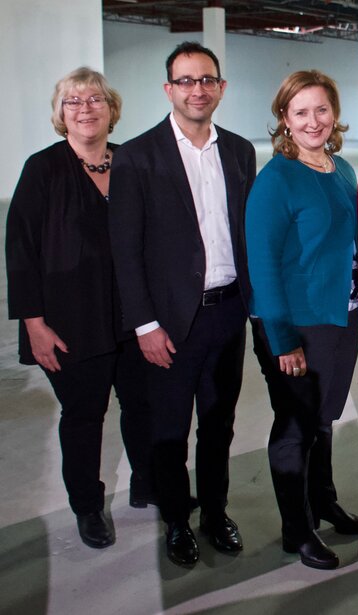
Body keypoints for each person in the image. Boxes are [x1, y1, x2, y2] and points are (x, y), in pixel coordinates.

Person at [108, 42, 256, 567]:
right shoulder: (136, 155)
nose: (198, 89)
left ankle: (215, 513)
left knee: (219, 424)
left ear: (221, 87)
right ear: (169, 89)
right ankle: (176, 519)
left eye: (207, 80)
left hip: (227, 313)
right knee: (169, 428)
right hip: (169, 321)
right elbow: (125, 251)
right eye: (186, 81)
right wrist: (144, 323)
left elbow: (246, 236)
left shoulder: (239, 151)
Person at [5, 67, 151, 549]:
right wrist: (34, 325)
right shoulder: (42, 168)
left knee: (143, 407)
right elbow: (20, 250)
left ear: (112, 110)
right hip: (70, 321)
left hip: (134, 317)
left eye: (96, 100)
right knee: (84, 416)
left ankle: (148, 483)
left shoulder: (132, 162)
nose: (86, 108)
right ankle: (88, 507)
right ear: (60, 113)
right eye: (74, 101)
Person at [245, 70, 358, 571]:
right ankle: (296, 530)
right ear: (284, 120)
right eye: (301, 112)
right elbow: (264, 267)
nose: (313, 121)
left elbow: (351, 248)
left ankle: (323, 501)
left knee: (323, 421)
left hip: (340, 317)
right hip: (296, 324)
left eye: (321, 110)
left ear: (334, 114)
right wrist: (283, 340)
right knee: (295, 428)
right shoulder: (275, 179)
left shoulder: (341, 169)